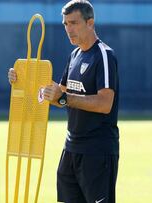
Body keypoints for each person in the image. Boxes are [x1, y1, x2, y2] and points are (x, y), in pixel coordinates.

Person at [8, 1, 119, 202]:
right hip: (71, 149)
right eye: (65, 24)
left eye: (74, 23)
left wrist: (65, 97)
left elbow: (105, 104)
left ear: (90, 22)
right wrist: (24, 80)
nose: (69, 29)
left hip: (97, 152)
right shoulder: (74, 55)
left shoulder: (104, 55)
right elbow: (60, 96)